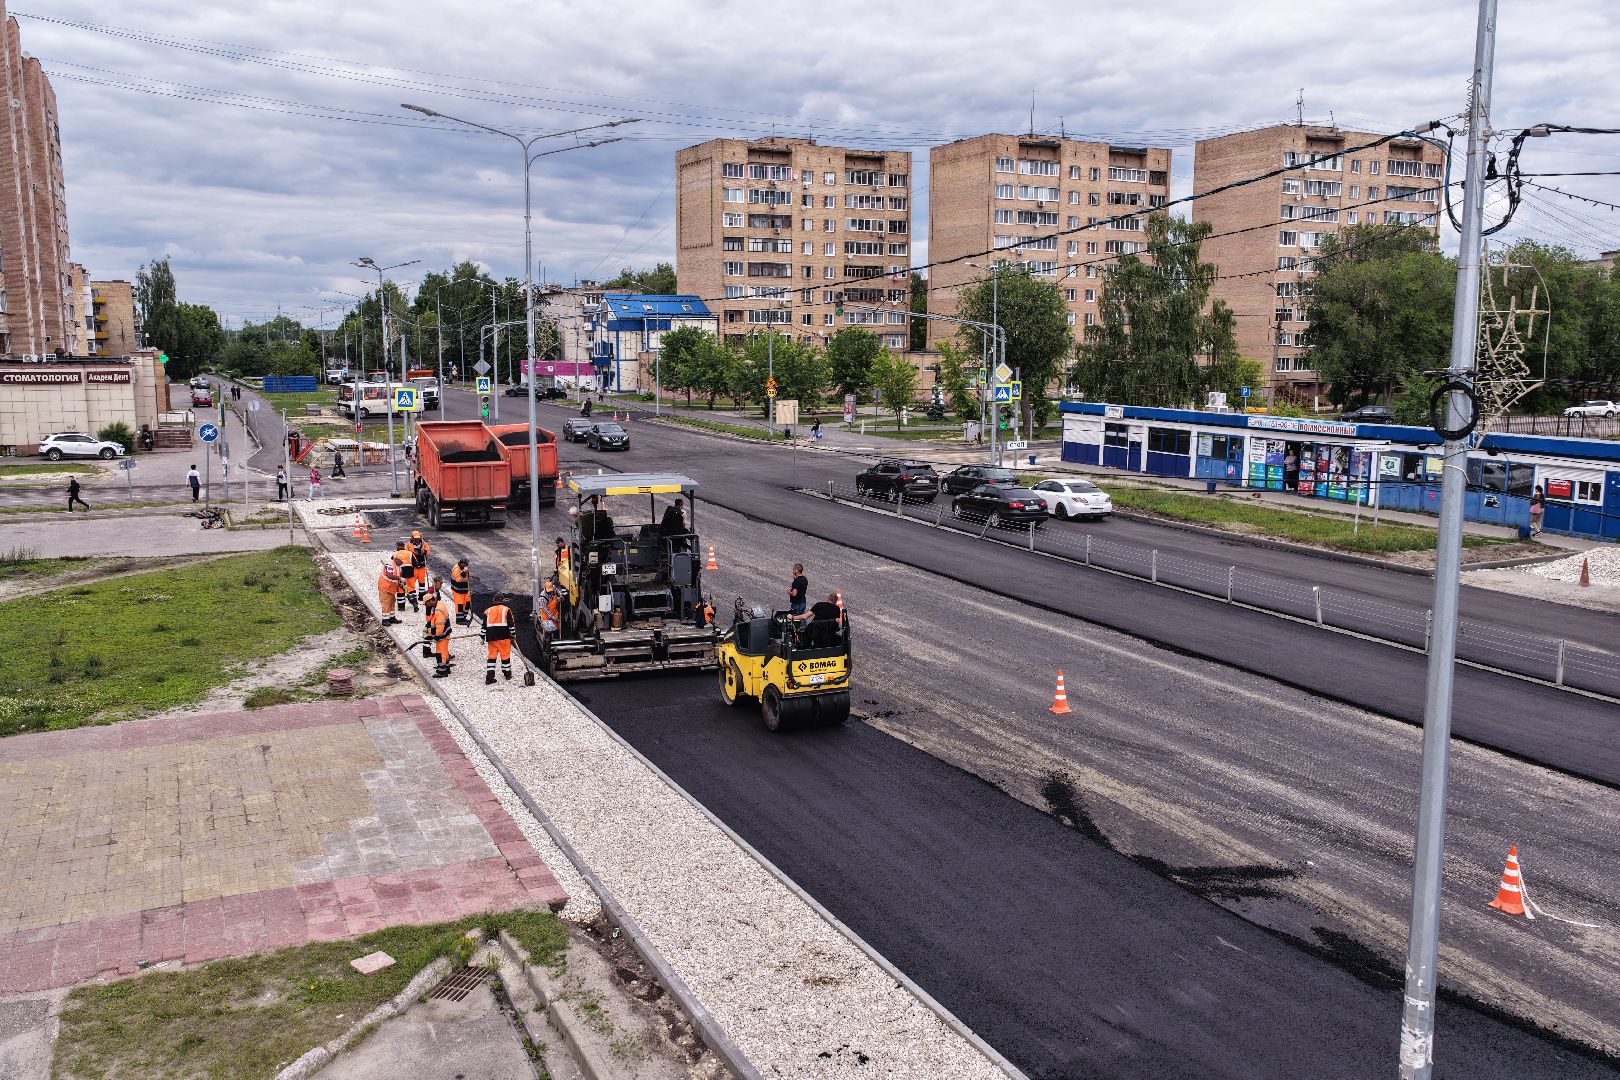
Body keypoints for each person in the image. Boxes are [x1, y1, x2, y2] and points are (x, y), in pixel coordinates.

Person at [481, 593, 515, 684]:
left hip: (491, 638)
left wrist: (482, 637)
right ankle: (507, 674)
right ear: (502, 600)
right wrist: (513, 635)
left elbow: (484, 626)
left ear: (494, 600)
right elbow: (511, 624)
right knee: (505, 657)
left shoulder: (487, 611)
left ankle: (489, 677)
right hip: (503, 637)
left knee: (491, 657)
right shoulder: (506, 610)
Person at [422, 594, 453, 677]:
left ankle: (442, 671)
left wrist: (437, 637)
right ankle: (446, 668)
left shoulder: (438, 610)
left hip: (442, 635)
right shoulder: (438, 605)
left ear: (430, 601)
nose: (426, 606)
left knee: (440, 653)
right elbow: (433, 620)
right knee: (444, 652)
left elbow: (440, 626)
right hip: (444, 633)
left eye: (426, 604)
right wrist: (428, 627)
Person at [391, 541, 418, 612]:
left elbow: (392, 565)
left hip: (400, 574)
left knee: (400, 590)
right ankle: (415, 603)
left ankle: (401, 607)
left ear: (397, 546)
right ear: (403, 546)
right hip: (410, 573)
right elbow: (415, 564)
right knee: (411, 588)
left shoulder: (395, 554)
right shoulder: (410, 553)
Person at [407, 530, 432, 601]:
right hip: (413, 567)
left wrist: (425, 551)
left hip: (422, 566)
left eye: (418, 538)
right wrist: (413, 553)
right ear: (412, 537)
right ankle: (411, 597)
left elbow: (429, 552)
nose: (416, 539)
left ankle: (421, 596)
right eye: (415, 538)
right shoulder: (408, 544)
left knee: (422, 582)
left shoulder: (424, 543)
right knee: (411, 583)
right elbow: (406, 553)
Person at [449, 558, 473, 625]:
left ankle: (464, 618)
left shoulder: (464, 568)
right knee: (460, 605)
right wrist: (464, 572)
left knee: (467, 603)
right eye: (465, 564)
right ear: (462, 563)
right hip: (457, 591)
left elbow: (466, 578)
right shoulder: (456, 569)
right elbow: (458, 579)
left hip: (464, 590)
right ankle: (459, 620)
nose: (467, 565)